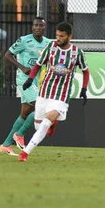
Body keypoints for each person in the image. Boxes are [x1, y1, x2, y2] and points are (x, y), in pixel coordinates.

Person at [18, 22, 89, 162]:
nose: (58, 38)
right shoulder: (50, 47)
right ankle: (53, 124)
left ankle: (24, 153)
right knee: (38, 126)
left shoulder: (77, 52)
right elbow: (38, 65)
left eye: (61, 36)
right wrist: (30, 79)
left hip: (61, 95)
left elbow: (85, 71)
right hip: (45, 92)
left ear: (70, 36)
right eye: (57, 35)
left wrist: (84, 88)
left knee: (45, 124)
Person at [0, 17, 52, 156]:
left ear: (44, 28)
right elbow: (8, 55)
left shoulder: (48, 43)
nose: (39, 28)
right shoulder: (24, 40)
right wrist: (22, 67)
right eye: (36, 25)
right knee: (41, 108)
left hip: (37, 81)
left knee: (25, 114)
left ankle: (6, 145)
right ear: (32, 27)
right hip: (24, 79)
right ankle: (20, 134)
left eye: (41, 26)